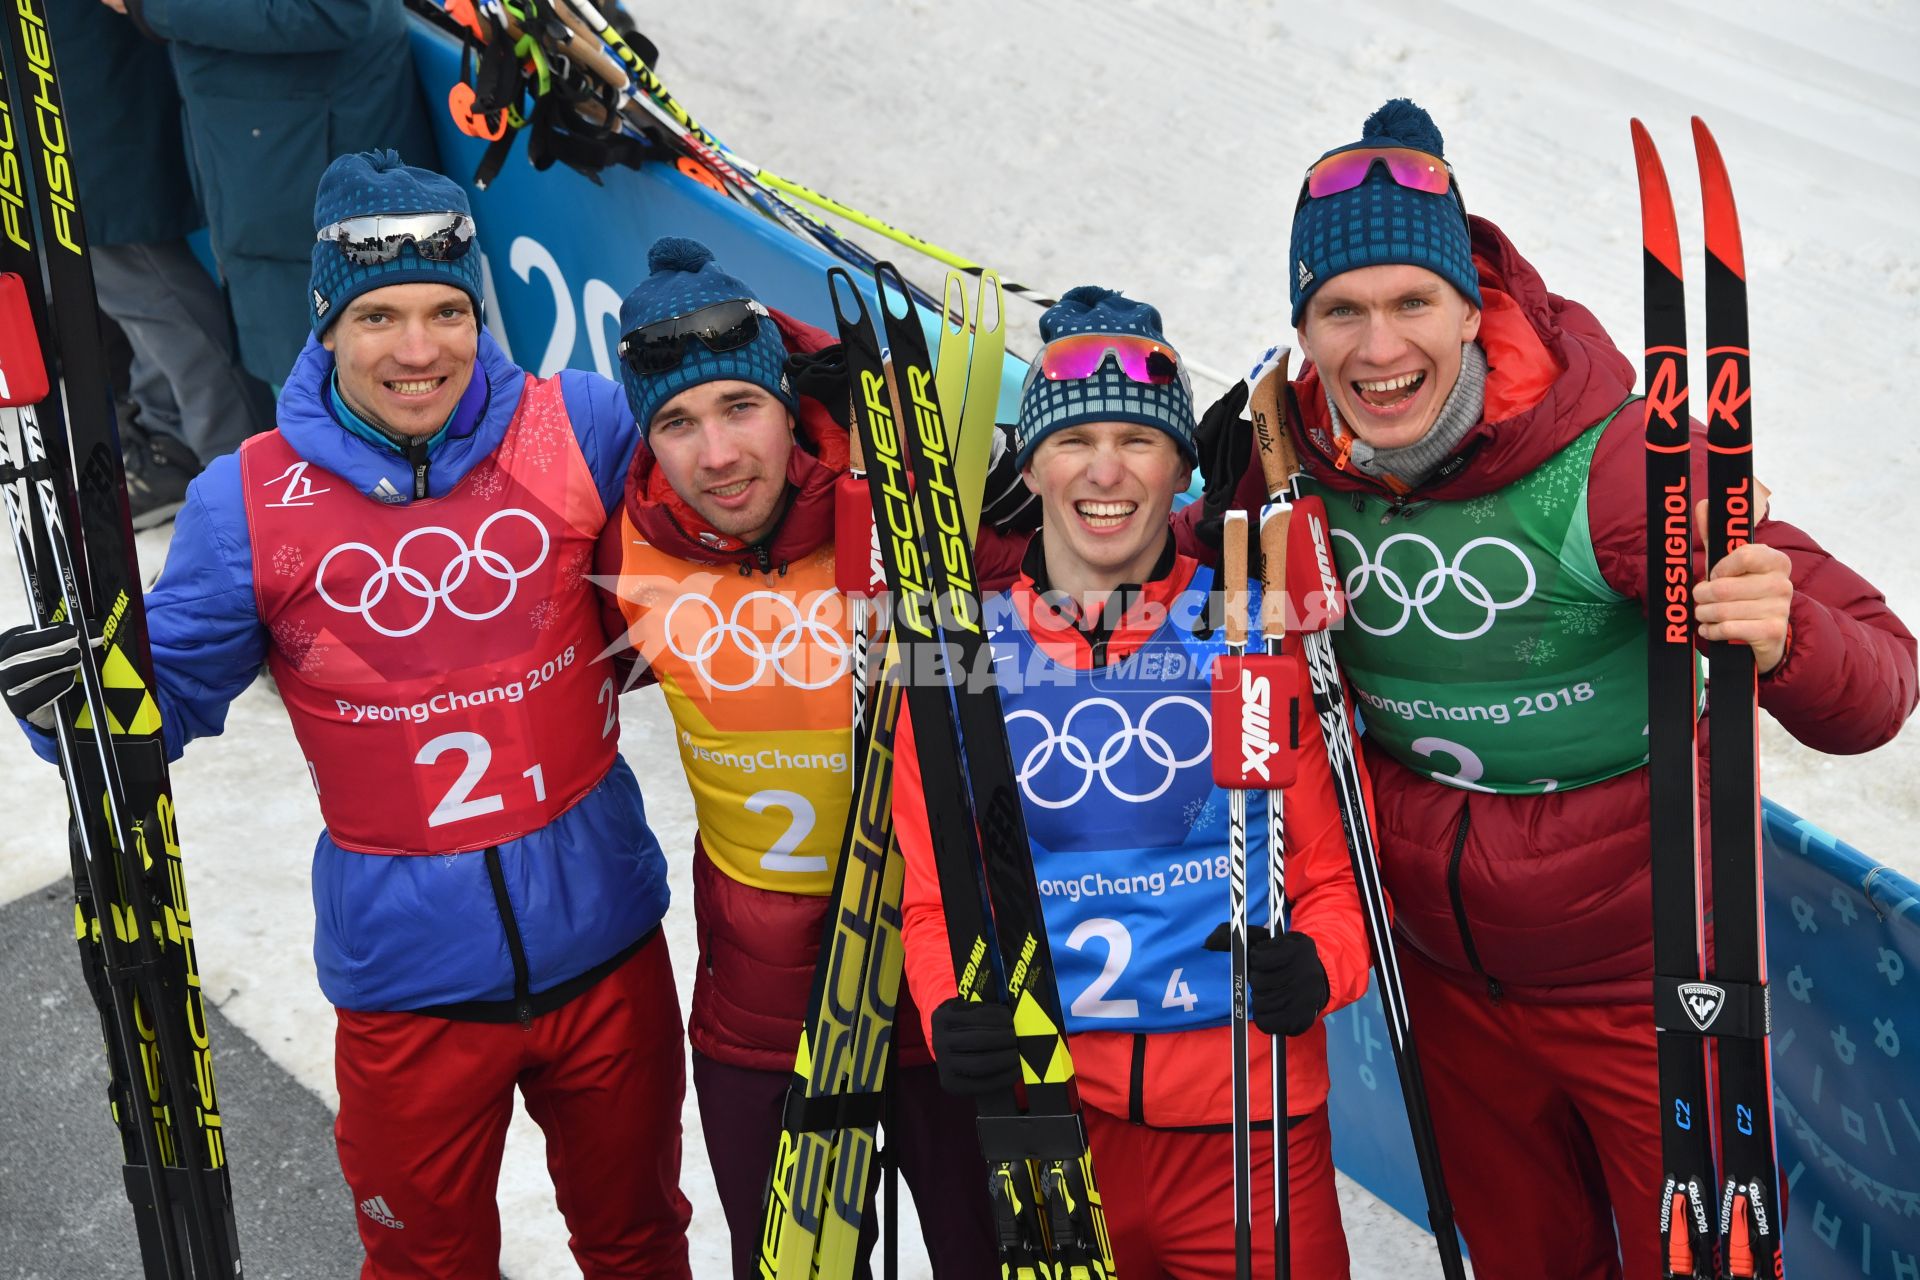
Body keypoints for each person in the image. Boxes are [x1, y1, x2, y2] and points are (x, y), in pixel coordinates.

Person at [2, 152, 691, 1278]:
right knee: (426, 1264)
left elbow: (720, 527)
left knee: (638, 1240)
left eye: (444, 311)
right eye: (378, 315)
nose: (417, 350)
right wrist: (72, 701)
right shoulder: (251, 496)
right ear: (326, 324)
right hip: (410, 984)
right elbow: (161, 703)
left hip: (608, 947)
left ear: (477, 315)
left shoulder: (583, 425)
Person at [1262, 99, 1918, 1279]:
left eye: (1413, 301)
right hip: (1446, 986)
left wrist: (1792, 634)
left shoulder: (1615, 464)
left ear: (1476, 303)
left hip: (1647, 986)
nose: (1377, 348)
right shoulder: (1282, 466)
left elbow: (1880, 683)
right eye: (1340, 311)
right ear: (1303, 329)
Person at [894, 287, 1373, 1278]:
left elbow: (1336, 885)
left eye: (1138, 441)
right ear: (1031, 466)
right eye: (1074, 441)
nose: (1105, 471)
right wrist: (950, 1007)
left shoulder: (1245, 630)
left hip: (1252, 1132)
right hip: (1061, 1126)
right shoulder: (964, 660)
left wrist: (1317, 965)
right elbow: (940, 899)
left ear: (1180, 470)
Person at [594, 236, 1012, 1279]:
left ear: (791, 405)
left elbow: (1091, 560)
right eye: (678, 422)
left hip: (933, 978)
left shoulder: (908, 513)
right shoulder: (625, 553)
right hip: (762, 1011)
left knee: (985, 1256)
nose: (718, 455)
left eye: (741, 407)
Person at [110, 0, 439, 388]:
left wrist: (154, 7)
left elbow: (341, 11)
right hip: (265, 172)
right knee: (304, 401)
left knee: (356, 404)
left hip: (318, 182)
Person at [49, 0, 273, 525]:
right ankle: (173, 442)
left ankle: (241, 476)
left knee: (137, 274)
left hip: (92, 78)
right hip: (65, 74)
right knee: (125, 282)